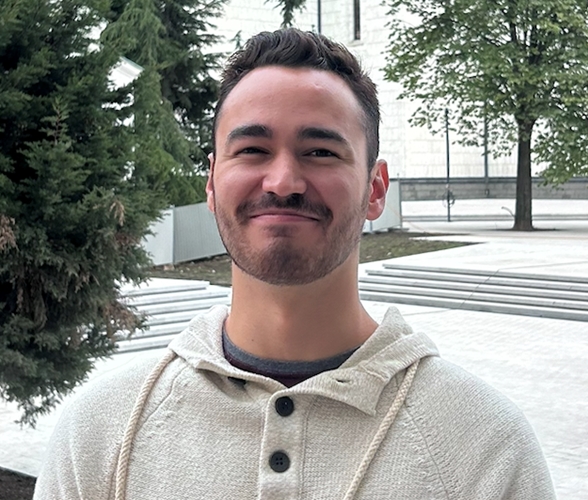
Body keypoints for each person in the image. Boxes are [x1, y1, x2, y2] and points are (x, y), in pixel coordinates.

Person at [34, 28, 555, 500]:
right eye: (253, 149)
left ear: (375, 189)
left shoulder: (485, 447)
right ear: (211, 183)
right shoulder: (100, 435)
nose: (283, 182)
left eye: (320, 152)